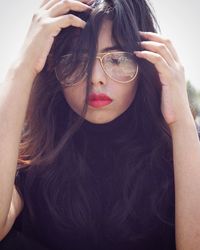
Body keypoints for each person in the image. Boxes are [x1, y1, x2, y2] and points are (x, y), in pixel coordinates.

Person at [0, 0, 200, 249]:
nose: (95, 78)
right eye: (76, 60)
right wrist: (21, 67)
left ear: (146, 63)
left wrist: (180, 121)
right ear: (53, 69)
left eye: (116, 60)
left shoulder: (180, 150)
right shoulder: (33, 155)